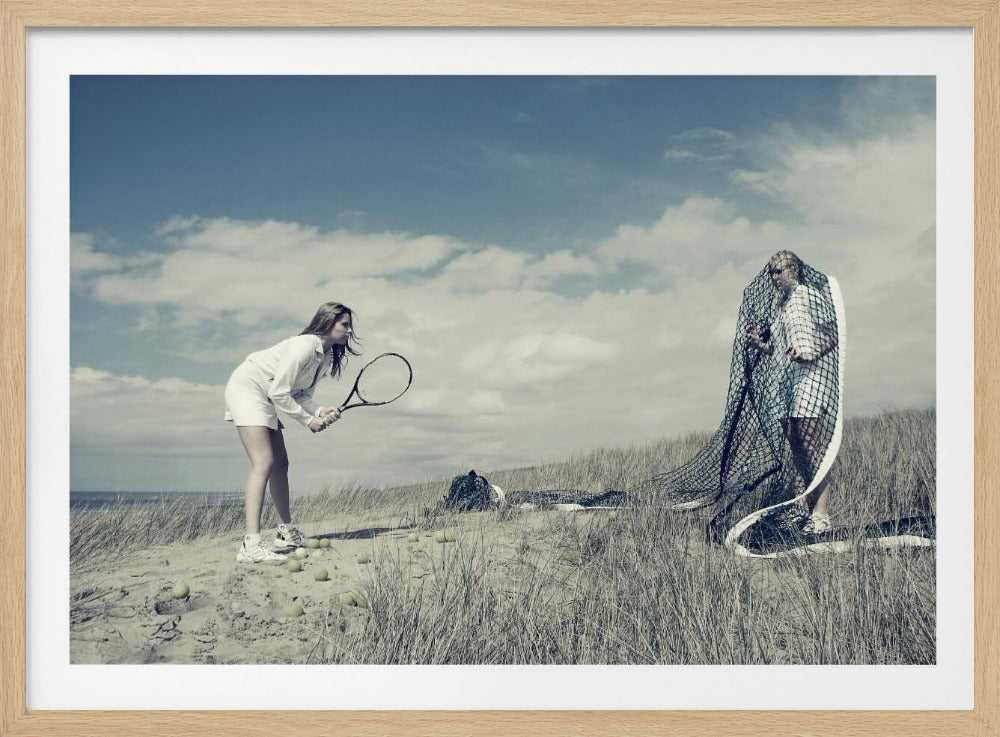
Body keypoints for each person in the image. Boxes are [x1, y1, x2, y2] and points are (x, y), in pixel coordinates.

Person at [224, 302, 360, 562]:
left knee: (281, 463)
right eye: (345, 324)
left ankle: (285, 532)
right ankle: (250, 545)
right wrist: (308, 421)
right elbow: (279, 392)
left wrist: (319, 411)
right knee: (264, 461)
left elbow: (299, 394)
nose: (350, 330)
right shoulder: (304, 346)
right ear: (328, 323)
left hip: (264, 393)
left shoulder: (325, 356)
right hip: (248, 387)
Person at [745, 251, 839, 533]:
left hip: (809, 378)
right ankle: (801, 507)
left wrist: (813, 353)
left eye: (778, 271)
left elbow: (835, 332)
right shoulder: (779, 305)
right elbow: (779, 347)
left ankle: (821, 514)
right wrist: (761, 346)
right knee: (795, 443)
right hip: (784, 381)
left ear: (794, 270)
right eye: (771, 272)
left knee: (809, 443)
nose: (773, 277)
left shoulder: (808, 296)